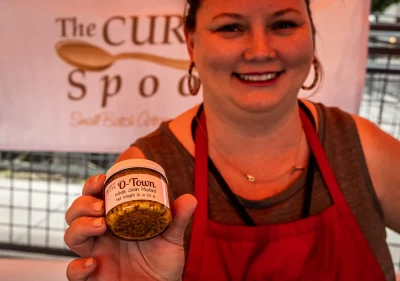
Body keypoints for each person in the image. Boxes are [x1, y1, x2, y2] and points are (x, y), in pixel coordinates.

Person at [64, 0, 400, 280]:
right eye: (231, 28)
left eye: (283, 24)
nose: (260, 51)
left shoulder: (361, 146)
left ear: (311, 34)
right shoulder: (148, 173)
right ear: (191, 42)